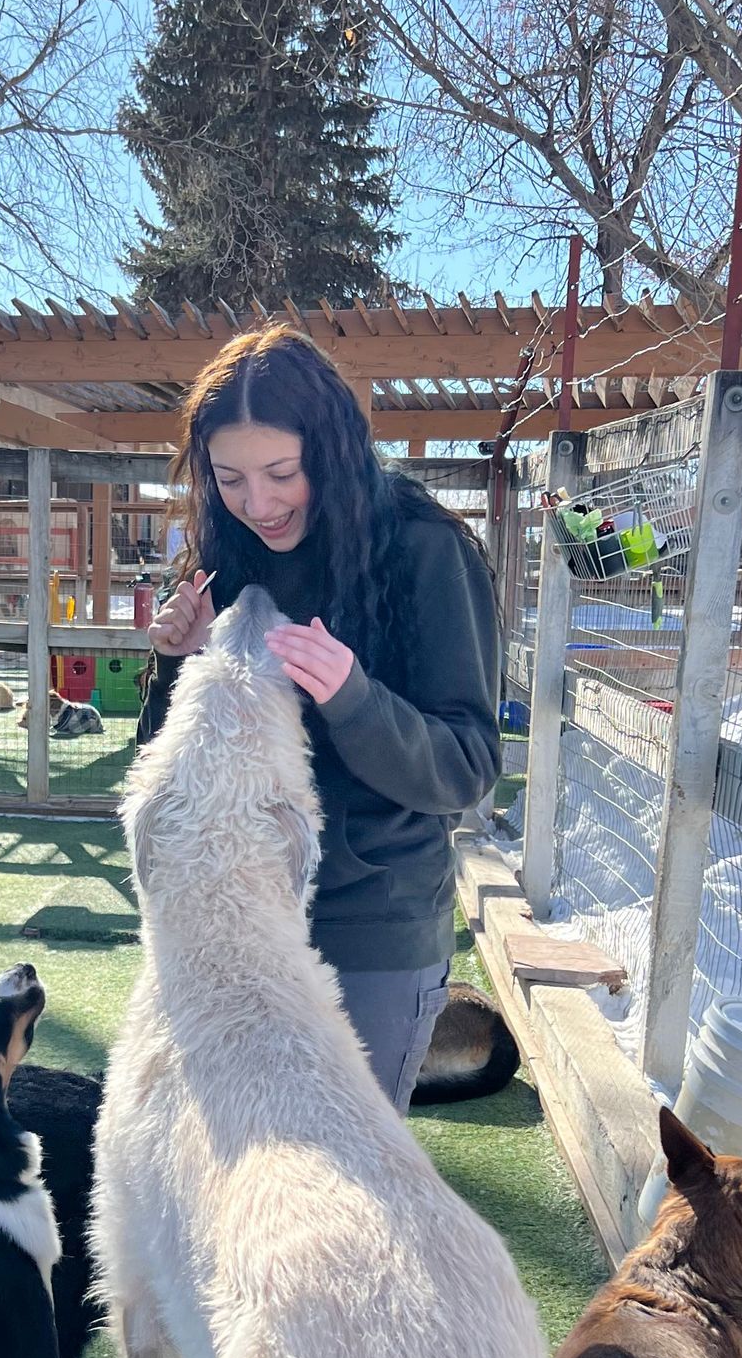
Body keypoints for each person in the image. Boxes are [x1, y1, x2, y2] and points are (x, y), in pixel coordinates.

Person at [138, 323, 501, 1111]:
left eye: (280, 472)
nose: (257, 503)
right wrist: (179, 664)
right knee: (235, 1174)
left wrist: (355, 700)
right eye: (229, 478)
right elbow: (170, 767)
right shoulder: (224, 551)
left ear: (330, 452)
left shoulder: (425, 550)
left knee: (344, 1196)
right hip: (237, 920)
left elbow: (466, 770)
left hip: (371, 930)